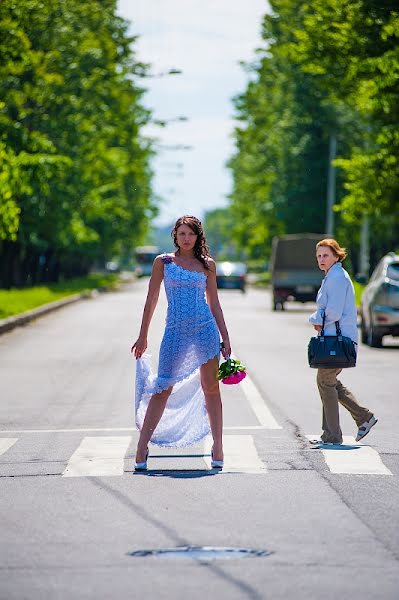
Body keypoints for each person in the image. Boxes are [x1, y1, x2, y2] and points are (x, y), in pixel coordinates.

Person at [131, 215, 231, 470]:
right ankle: (142, 446)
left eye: (191, 234)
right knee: (163, 388)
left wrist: (225, 337)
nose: (186, 238)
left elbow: (214, 302)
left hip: (205, 330)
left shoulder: (207, 264)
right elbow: (151, 300)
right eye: (182, 233)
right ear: (175, 235)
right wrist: (143, 335)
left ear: (198, 237)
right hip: (175, 331)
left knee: (211, 387)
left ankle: (217, 445)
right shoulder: (163, 262)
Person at [308, 238, 378, 447]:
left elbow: (334, 312)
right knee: (329, 382)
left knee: (325, 381)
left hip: (338, 341)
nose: (321, 259)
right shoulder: (333, 275)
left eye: (326, 255)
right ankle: (363, 417)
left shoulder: (337, 277)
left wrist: (313, 319)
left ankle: (332, 435)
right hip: (335, 339)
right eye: (319, 256)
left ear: (337, 256)